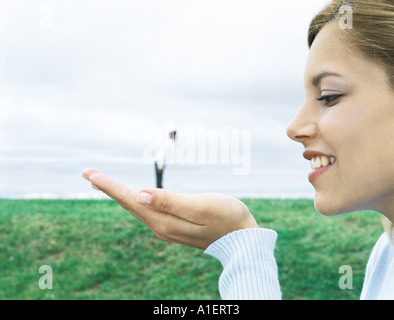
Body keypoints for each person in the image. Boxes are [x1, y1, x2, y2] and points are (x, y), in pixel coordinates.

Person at [82, 0, 394, 299]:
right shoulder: (386, 252)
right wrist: (240, 240)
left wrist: (240, 244)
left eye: (328, 96)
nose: (294, 127)